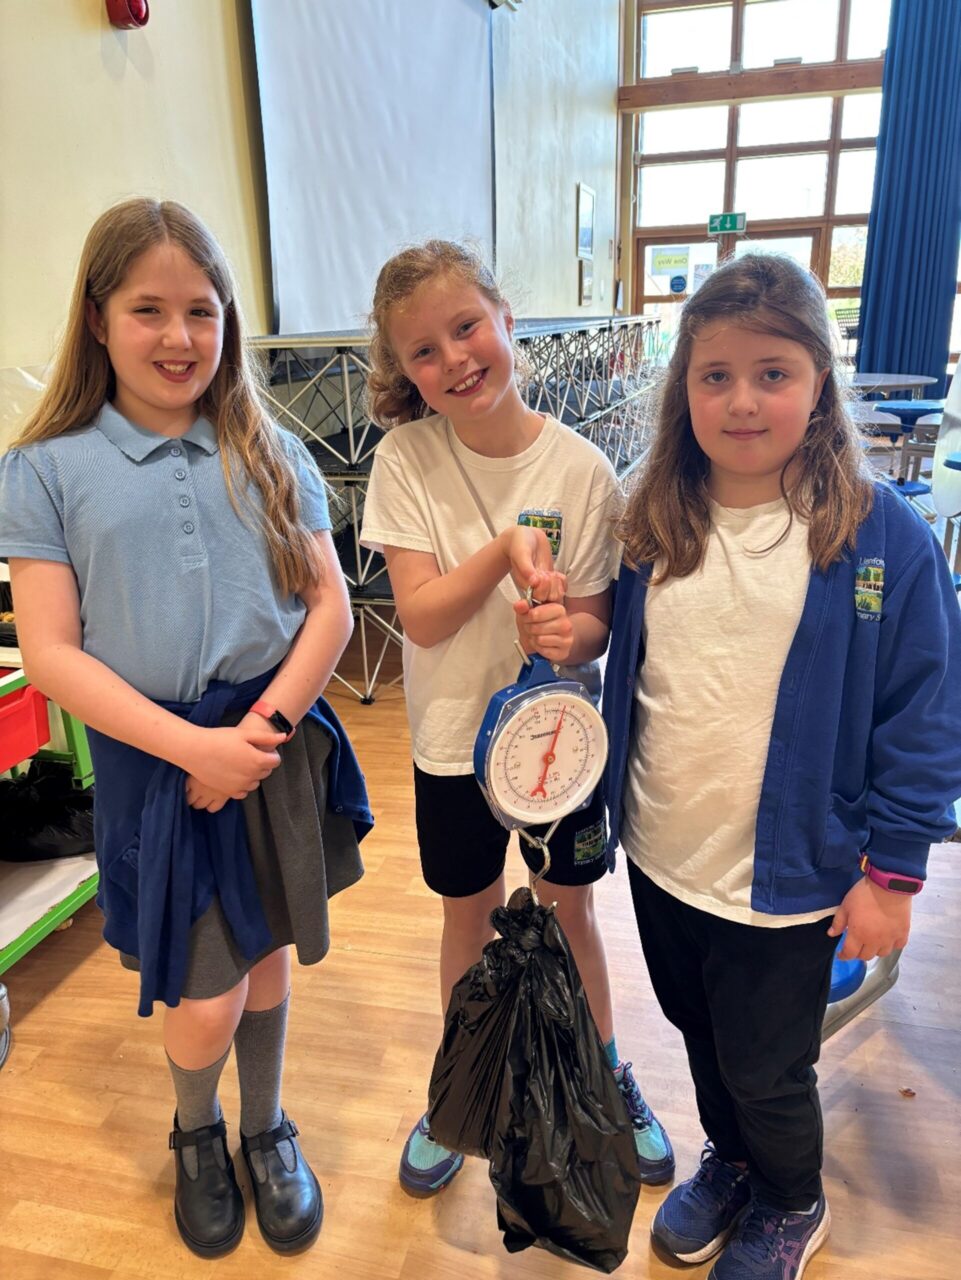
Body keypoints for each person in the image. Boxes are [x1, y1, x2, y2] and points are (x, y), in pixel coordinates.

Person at [0, 198, 372, 1259]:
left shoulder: (268, 446)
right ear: (98, 316)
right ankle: (196, 1129)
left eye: (200, 311)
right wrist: (193, 750)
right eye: (148, 309)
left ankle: (266, 1126)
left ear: (228, 321)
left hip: (270, 739)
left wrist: (253, 732)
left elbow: (329, 610)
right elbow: (57, 651)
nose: (178, 337)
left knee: (267, 963)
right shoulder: (47, 468)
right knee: (204, 990)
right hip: (159, 761)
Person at [583, 253, 961, 1280]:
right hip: (666, 853)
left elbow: (924, 715)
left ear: (817, 385)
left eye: (772, 372)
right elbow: (624, 657)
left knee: (767, 1062)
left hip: (793, 873)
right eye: (714, 375)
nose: (742, 399)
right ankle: (738, 1158)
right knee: (701, 1033)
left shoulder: (880, 537)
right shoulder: (653, 516)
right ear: (683, 390)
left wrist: (892, 872)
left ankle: (793, 1197)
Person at [359, 239, 673, 1197]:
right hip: (453, 744)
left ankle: (603, 1074)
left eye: (466, 328)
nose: (453, 359)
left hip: (557, 747)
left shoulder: (581, 468)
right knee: (470, 914)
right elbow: (417, 613)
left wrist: (564, 632)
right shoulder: (406, 459)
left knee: (571, 910)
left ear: (504, 319)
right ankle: (465, 1090)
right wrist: (504, 552)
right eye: (422, 350)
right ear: (402, 370)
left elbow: (598, 625)